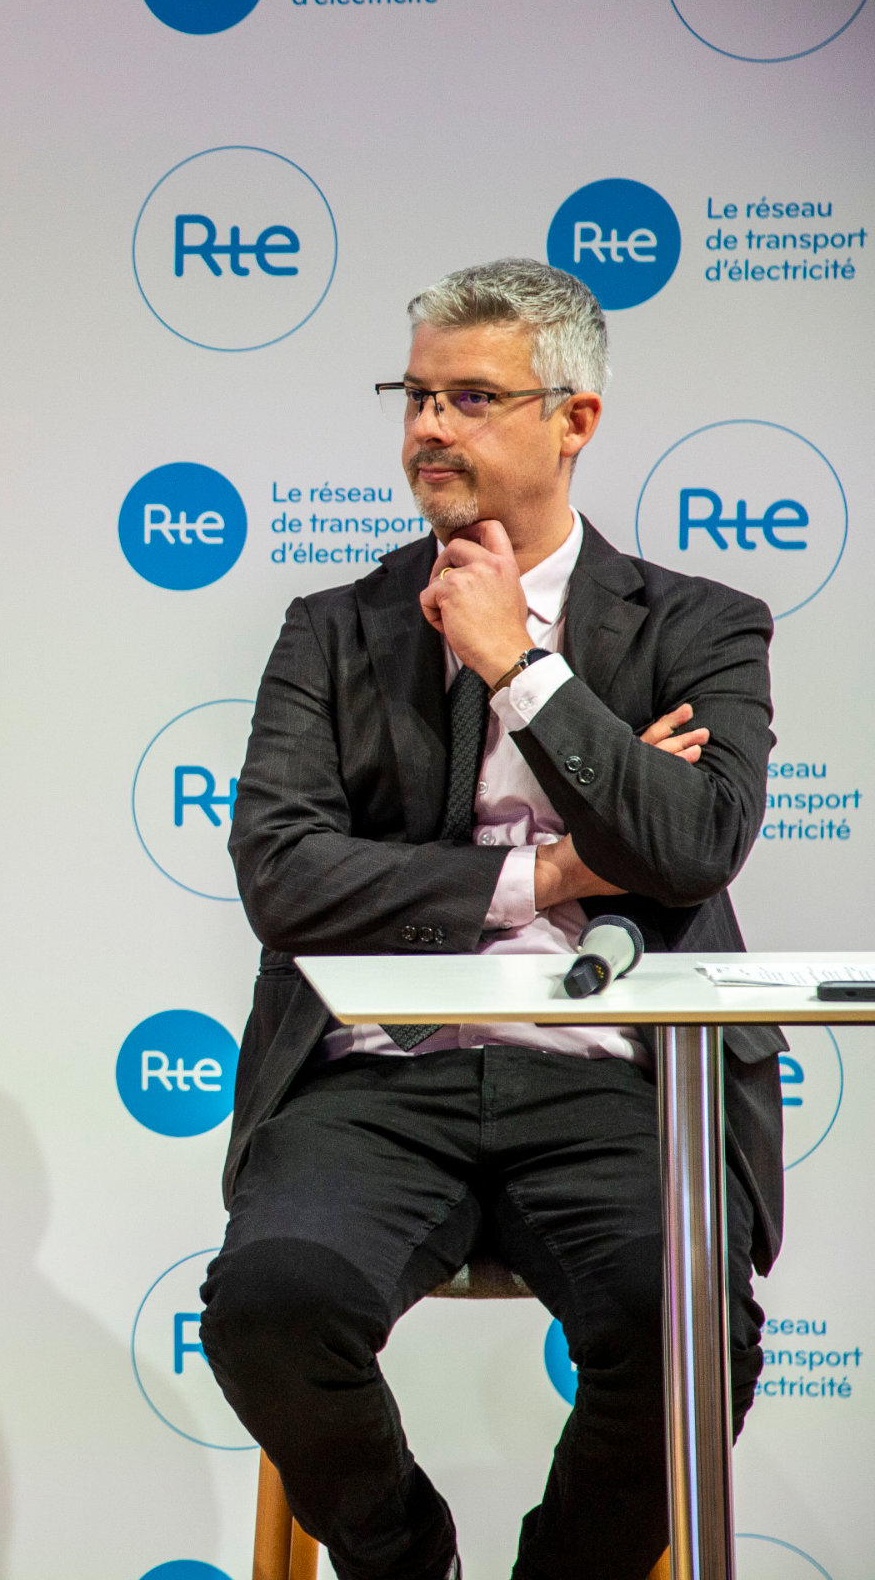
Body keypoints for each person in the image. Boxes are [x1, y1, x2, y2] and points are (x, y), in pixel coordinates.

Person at [201, 259, 780, 1580]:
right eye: (415, 396)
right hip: (376, 1081)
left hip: (615, 1082)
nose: (428, 427)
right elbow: (284, 878)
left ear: (574, 420)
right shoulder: (334, 630)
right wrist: (560, 875)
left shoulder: (698, 626)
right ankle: (410, 1564)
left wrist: (523, 668)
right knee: (270, 1304)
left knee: (690, 1325)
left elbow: (695, 844)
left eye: (471, 398)